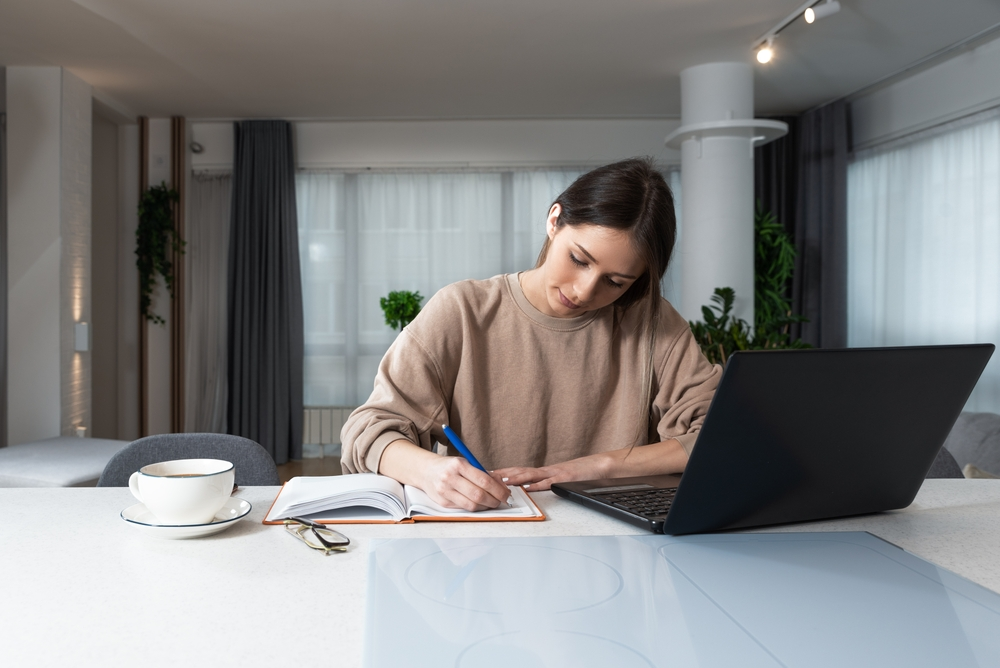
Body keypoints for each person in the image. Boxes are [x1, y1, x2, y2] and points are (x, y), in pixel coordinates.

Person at [341, 157, 721, 511]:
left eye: (615, 282)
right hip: (486, 535)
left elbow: (719, 435)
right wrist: (428, 472)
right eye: (579, 260)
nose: (585, 291)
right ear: (554, 220)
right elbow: (367, 431)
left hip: (617, 541)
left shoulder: (654, 324)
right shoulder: (462, 311)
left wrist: (593, 468)